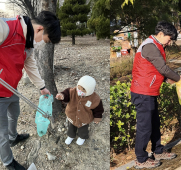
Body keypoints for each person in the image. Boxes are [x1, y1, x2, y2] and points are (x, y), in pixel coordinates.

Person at [0, 11, 61, 170]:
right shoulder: (5, 28)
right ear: (40, 29)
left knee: (14, 113)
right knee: (1, 132)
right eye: (45, 40)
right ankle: (8, 162)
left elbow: (30, 65)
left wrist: (42, 87)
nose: (43, 44)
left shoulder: (28, 43)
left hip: (11, 87)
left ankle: (13, 138)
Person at [130, 21, 181, 169]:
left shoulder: (155, 45)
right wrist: (180, 78)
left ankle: (158, 150)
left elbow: (154, 70)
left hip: (149, 91)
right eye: (169, 38)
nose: (170, 42)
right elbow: (163, 68)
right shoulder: (150, 46)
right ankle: (140, 159)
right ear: (160, 34)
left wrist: (168, 80)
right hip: (142, 92)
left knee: (154, 124)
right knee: (144, 127)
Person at [55, 75, 104, 146]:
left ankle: (82, 137)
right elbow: (66, 94)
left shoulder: (95, 99)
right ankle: (71, 135)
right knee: (71, 127)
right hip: (72, 115)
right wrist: (62, 96)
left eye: (83, 89)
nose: (79, 91)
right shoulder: (72, 91)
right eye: (79, 87)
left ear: (89, 90)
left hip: (84, 118)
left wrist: (98, 117)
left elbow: (98, 109)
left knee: (83, 129)